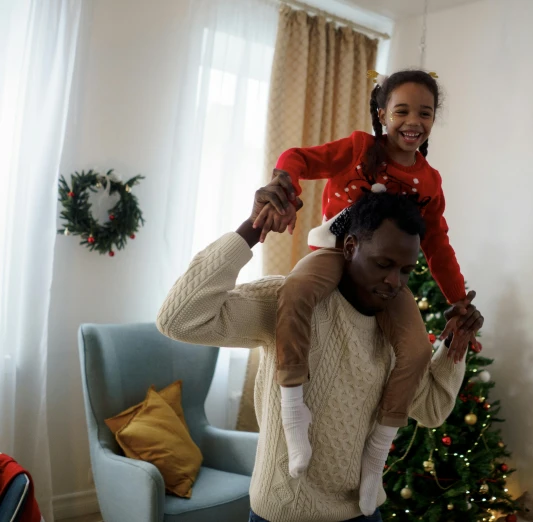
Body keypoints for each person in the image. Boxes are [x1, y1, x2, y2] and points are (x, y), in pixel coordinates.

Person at [157, 191, 476, 522]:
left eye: (406, 270)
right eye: (383, 264)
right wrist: (251, 231)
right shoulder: (285, 301)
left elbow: (432, 409)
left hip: (363, 513)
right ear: (350, 247)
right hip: (283, 514)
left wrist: (457, 341)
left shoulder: (397, 336)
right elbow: (178, 319)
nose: (394, 281)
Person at [250, 70, 484, 510]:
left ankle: (376, 456)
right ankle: (294, 408)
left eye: (425, 113)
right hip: (336, 251)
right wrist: (286, 181)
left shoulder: (429, 182)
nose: (413, 121)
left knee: (414, 351)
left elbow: (436, 243)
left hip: (383, 275)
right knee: (296, 292)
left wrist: (457, 300)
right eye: (402, 110)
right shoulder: (359, 149)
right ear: (382, 114)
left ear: (434, 121)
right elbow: (297, 156)